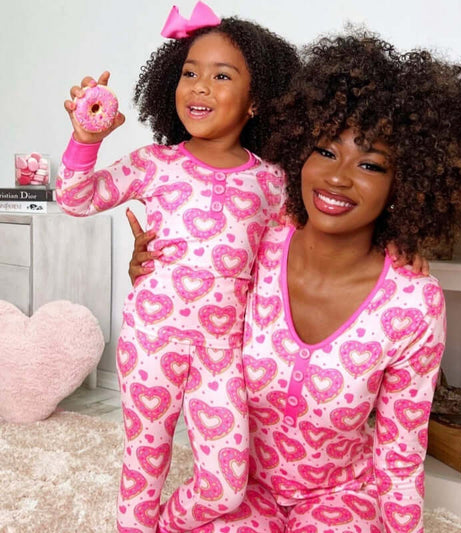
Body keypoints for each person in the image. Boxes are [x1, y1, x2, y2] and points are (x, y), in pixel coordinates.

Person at [128, 30, 461, 532]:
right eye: (325, 152)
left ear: (408, 185)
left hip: (342, 497)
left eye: (371, 164)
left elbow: (400, 454)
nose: (338, 177)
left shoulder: (413, 305)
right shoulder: (258, 243)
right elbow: (191, 284)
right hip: (237, 488)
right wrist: (148, 266)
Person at [55, 3, 300, 532]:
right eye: (190, 73)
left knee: (225, 481)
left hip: (224, 353)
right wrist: (88, 139)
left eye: (221, 76)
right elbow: (76, 199)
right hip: (151, 339)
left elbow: (290, 265)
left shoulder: (274, 182)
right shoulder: (155, 163)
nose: (199, 87)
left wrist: (398, 246)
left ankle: (164, 523)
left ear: (257, 101)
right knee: (144, 461)